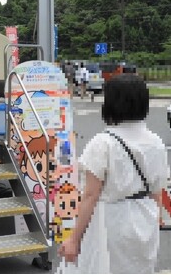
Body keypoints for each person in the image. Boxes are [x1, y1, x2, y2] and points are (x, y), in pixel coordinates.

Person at [58, 74, 169, 273]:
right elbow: (157, 191)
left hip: (111, 221)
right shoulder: (156, 142)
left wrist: (74, 239)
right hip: (145, 217)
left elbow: (90, 196)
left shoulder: (103, 143)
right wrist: (156, 217)